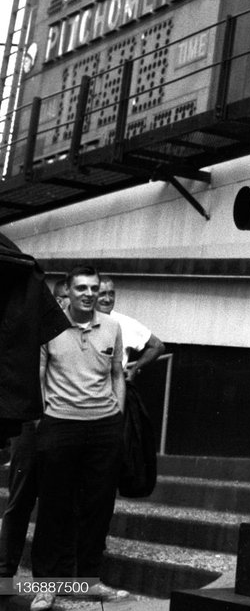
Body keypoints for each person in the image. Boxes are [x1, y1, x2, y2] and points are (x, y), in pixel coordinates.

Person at [30, 265, 128, 610]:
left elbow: (117, 372)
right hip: (60, 425)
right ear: (68, 292)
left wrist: (117, 414)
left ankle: (88, 580)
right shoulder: (49, 328)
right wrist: (47, 416)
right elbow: (40, 375)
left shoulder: (113, 326)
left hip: (103, 427)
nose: (88, 294)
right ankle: (45, 584)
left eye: (93, 288)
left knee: (97, 509)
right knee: (55, 507)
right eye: (81, 288)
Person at [0, 245, 69, 580]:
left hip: (59, 423)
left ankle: (44, 581)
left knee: (53, 505)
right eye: (68, 294)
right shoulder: (32, 325)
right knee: (19, 502)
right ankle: (4, 573)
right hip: (30, 420)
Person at [97, 274, 165, 381]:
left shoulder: (125, 323)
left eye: (111, 294)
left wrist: (134, 369)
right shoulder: (80, 321)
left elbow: (157, 346)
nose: (108, 299)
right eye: (102, 294)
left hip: (113, 386)